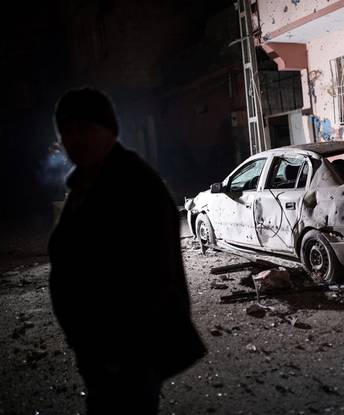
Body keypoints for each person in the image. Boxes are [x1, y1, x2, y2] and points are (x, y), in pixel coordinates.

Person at [48, 87, 206, 414]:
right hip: (98, 351)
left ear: (109, 131)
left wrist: (118, 353)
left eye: (83, 129)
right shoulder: (85, 184)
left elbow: (154, 277)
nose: (74, 139)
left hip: (127, 353)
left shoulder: (135, 185)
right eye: (66, 131)